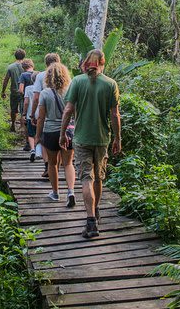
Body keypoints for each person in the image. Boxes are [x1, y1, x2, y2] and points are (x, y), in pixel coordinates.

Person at [60, 49, 121, 239]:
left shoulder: (77, 81)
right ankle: (96, 211)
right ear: (103, 62)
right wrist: (118, 138)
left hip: (82, 139)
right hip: (102, 139)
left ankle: (91, 221)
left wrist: (62, 133)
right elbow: (114, 114)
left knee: (87, 178)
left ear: (86, 62)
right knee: (99, 178)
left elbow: (68, 109)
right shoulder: (111, 84)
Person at [35, 62, 76, 207]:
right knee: (68, 163)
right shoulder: (70, 91)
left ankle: (55, 193)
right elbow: (75, 113)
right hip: (69, 131)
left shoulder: (45, 93)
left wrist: (38, 136)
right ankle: (71, 192)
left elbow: (41, 117)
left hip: (51, 131)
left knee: (52, 164)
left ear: (48, 77)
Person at [31, 53, 61, 178]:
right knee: (59, 140)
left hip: (44, 110)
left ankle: (47, 165)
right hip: (60, 113)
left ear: (46, 63)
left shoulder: (41, 76)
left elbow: (36, 97)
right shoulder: (64, 74)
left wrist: (32, 114)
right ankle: (56, 167)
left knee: (44, 141)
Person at [1, 49, 25, 132]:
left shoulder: (11, 67)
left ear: (15, 56)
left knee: (13, 109)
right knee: (23, 110)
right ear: (24, 56)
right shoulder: (26, 66)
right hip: (24, 92)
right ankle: (22, 127)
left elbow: (6, 80)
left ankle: (13, 125)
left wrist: (3, 91)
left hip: (14, 92)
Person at [22, 71, 39, 160]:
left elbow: (26, 102)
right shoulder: (44, 88)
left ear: (32, 79)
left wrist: (24, 113)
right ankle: (36, 149)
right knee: (38, 133)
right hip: (41, 114)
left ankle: (32, 149)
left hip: (30, 114)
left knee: (31, 133)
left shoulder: (28, 88)